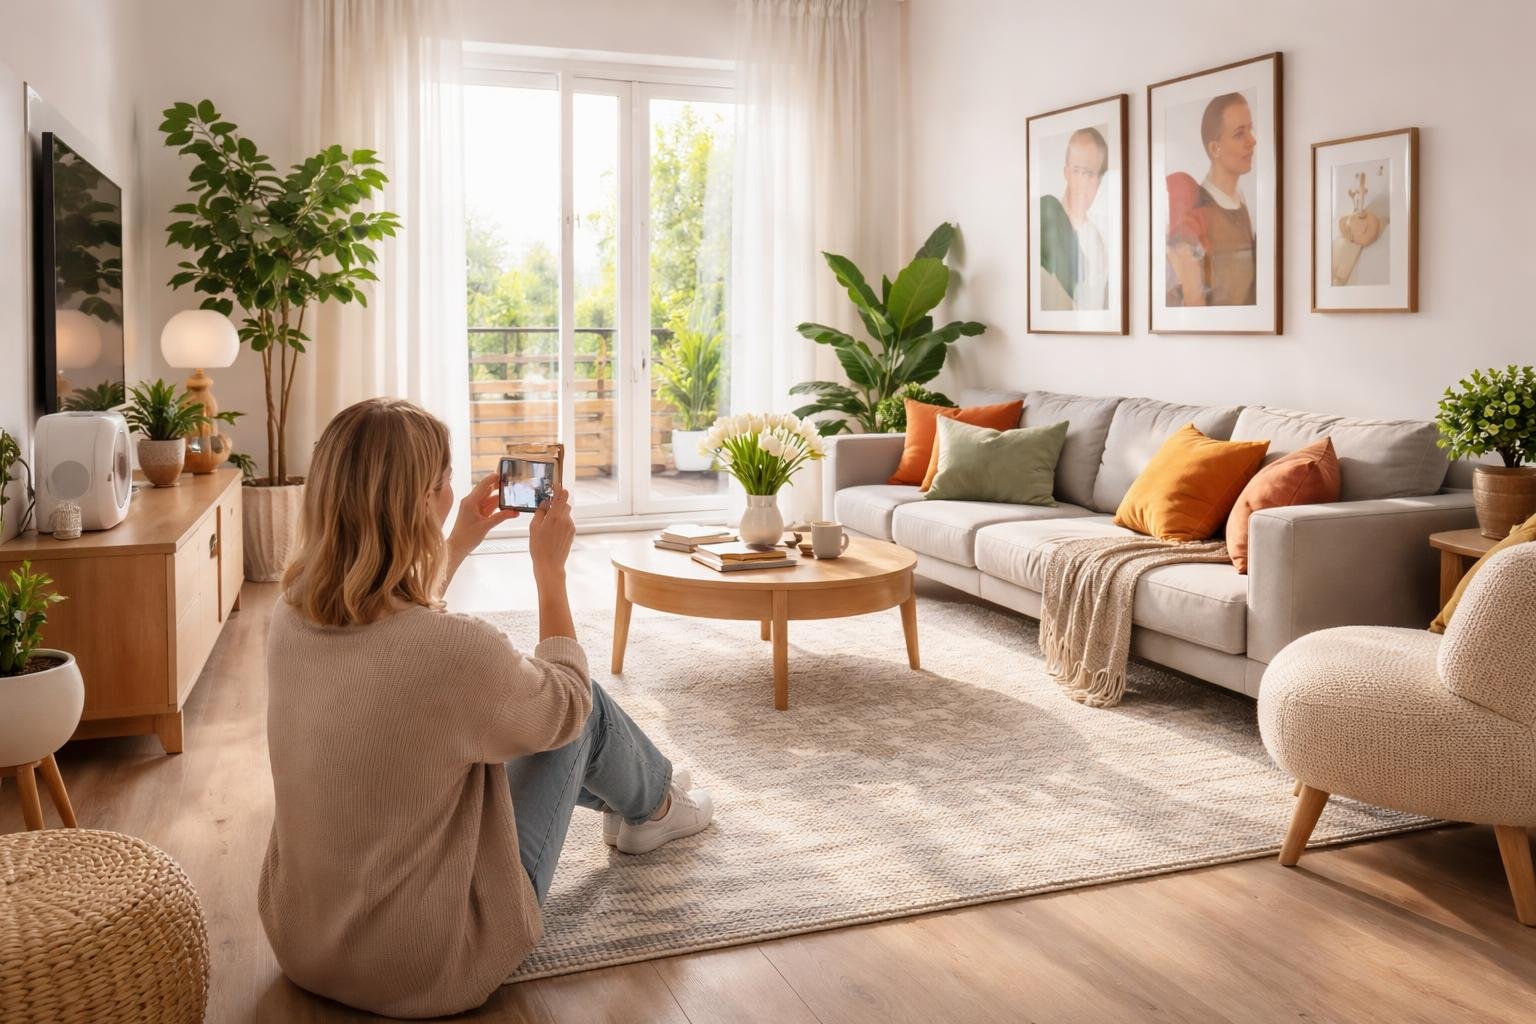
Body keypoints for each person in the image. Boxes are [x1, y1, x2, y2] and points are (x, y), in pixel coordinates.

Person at [258, 398, 714, 1018]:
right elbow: (566, 708)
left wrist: (458, 542)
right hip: (430, 964)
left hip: (305, 946)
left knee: (500, 712)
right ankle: (655, 805)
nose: (452, 494)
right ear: (420, 500)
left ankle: (643, 798)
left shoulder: (289, 616)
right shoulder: (455, 651)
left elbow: (396, 642)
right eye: (444, 483)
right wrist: (550, 573)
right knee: (584, 703)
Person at [1165, 92, 1257, 307]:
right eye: (1239, 134)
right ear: (1215, 148)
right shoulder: (1193, 207)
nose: (1252, 141)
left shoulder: (1244, 209)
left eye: (1250, 130)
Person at [1039, 126, 1110, 311]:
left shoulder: (1098, 241)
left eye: (1090, 174)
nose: (1083, 182)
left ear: (1099, 180)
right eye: (1077, 171)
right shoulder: (1044, 218)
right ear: (1066, 172)